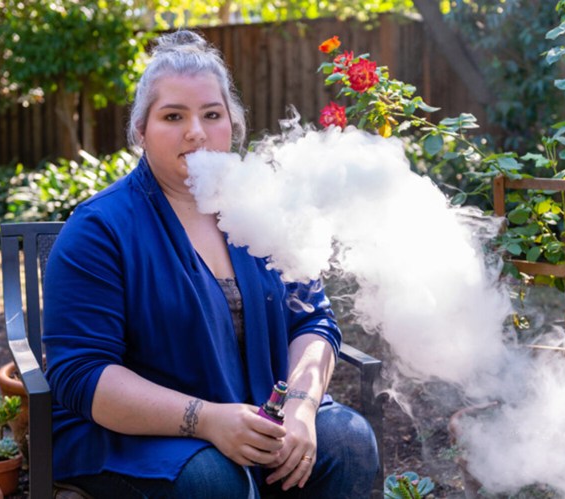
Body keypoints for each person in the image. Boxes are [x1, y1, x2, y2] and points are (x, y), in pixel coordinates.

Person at [43, 30, 379, 498]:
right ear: (141, 129)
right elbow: (82, 373)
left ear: (232, 125)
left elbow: (313, 320)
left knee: (348, 441)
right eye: (173, 116)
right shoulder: (100, 229)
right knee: (215, 481)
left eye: (212, 114)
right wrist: (207, 420)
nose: (196, 132)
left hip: (258, 415)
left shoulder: (262, 209)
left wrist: (302, 406)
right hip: (140, 436)